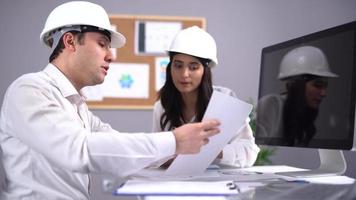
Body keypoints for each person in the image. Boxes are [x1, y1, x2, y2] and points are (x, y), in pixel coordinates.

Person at [0, 2, 221, 199]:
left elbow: (113, 142)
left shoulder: (77, 107)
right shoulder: (29, 90)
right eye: (102, 44)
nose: (111, 55)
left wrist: (169, 155)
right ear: (70, 41)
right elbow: (80, 150)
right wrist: (174, 141)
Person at [152, 26, 260, 168]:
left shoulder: (226, 99)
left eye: (193, 67)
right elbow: (155, 154)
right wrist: (165, 158)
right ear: (170, 67)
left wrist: (212, 151)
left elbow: (249, 152)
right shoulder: (162, 105)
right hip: (176, 182)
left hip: (217, 183)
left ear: (205, 71)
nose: (184, 74)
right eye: (178, 65)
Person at [256, 46, 338, 146]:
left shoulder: (305, 121)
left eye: (325, 86)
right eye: (318, 85)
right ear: (296, 85)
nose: (324, 93)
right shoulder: (272, 104)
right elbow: (257, 151)